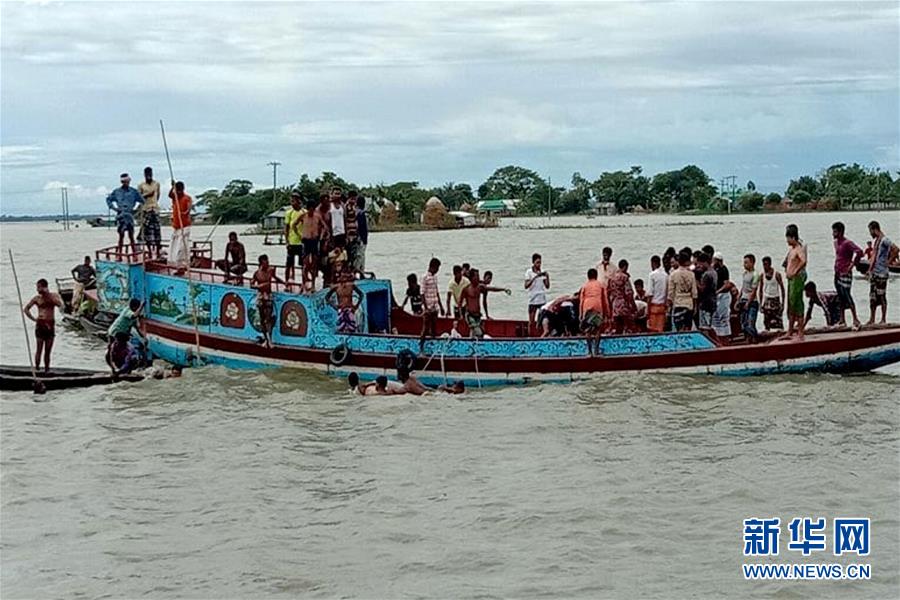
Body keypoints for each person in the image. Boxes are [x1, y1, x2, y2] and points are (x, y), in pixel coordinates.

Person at [23, 278, 64, 372]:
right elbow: (26, 309)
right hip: (40, 324)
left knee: (48, 351)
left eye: (39, 287)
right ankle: (37, 369)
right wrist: (34, 319)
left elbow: (60, 305)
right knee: (39, 349)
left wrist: (49, 295)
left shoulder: (53, 296)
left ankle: (47, 370)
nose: (37, 289)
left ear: (44, 287)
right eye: (37, 287)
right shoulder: (37, 298)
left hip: (50, 325)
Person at [866, 220, 899, 326]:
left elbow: (896, 249)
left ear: (874, 229)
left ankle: (883, 319)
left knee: (881, 296)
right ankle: (872, 319)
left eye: (870, 231)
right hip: (875, 273)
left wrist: (888, 263)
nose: (870, 234)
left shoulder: (884, 240)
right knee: (872, 297)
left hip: (882, 273)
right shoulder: (877, 241)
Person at [831, 221, 863, 329]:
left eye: (835, 231)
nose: (833, 234)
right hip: (838, 272)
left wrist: (852, 265)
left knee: (847, 295)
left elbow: (859, 252)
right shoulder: (837, 243)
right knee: (840, 297)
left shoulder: (847, 243)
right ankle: (842, 319)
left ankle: (855, 318)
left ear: (840, 232)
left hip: (845, 273)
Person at [460, 268, 507, 339]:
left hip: (477, 315)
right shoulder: (466, 289)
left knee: (477, 332)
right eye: (476, 276)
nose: (478, 278)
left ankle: (472, 344)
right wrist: (461, 315)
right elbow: (460, 303)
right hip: (470, 315)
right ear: (472, 278)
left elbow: (492, 289)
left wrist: (503, 289)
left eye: (478, 276)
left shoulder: (480, 287)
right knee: (478, 332)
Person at [106, 173, 144, 255]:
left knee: (131, 236)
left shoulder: (134, 192)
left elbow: (142, 201)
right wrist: (114, 208)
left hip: (129, 216)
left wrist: (136, 211)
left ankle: (134, 254)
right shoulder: (117, 192)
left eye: (126, 181)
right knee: (121, 236)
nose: (125, 183)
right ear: (121, 182)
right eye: (123, 182)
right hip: (121, 215)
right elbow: (108, 199)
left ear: (129, 181)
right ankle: (119, 254)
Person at [251, 254, 284, 348]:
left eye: (268, 261)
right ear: (261, 263)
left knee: (268, 318)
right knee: (262, 319)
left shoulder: (270, 270)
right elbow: (252, 284)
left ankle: (270, 340)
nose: (268, 264)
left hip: (268, 296)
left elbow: (275, 278)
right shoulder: (257, 273)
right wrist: (259, 286)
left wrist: (284, 283)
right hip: (261, 296)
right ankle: (266, 339)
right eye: (266, 262)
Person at [783, 224, 808, 339]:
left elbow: (803, 261)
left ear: (793, 237)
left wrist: (795, 271)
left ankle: (800, 332)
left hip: (797, 280)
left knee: (798, 304)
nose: (787, 240)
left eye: (788, 238)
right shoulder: (791, 250)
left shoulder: (799, 249)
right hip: (790, 280)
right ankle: (790, 331)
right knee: (791, 305)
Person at [301, 195, 328, 293]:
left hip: (315, 241)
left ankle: (313, 284)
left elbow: (325, 227)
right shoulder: (303, 216)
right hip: (306, 241)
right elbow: (294, 225)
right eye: (309, 209)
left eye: (312, 209)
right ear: (307, 209)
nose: (311, 211)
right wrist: (300, 234)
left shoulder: (317, 216)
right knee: (305, 264)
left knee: (314, 264)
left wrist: (321, 236)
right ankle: (304, 284)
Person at [667, 251, 697, 331]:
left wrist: (669, 307)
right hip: (689, 304)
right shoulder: (691, 274)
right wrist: (695, 306)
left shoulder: (673, 274)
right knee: (688, 328)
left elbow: (670, 293)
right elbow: (694, 293)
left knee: (678, 328)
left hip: (678, 303)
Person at [579, 268, 605, 355]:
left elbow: (581, 301)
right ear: (596, 276)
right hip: (597, 306)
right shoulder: (600, 285)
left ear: (588, 276)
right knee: (598, 329)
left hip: (587, 306)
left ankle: (589, 352)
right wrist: (607, 312)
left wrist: (581, 314)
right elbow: (604, 300)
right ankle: (596, 351)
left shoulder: (585, 286)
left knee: (588, 330)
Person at [420, 257, 444, 351]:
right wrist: (426, 308)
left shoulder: (435, 277)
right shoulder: (424, 277)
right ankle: (421, 347)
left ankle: (432, 345)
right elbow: (422, 293)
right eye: (437, 268)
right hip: (428, 306)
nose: (438, 270)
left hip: (434, 305)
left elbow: (436, 291)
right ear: (433, 267)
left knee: (434, 326)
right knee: (425, 328)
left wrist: (441, 306)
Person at [607, 259, 638, 334]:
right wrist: (633, 306)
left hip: (615, 305)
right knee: (629, 326)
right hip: (623, 305)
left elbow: (608, 292)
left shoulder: (611, 278)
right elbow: (629, 293)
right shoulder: (624, 277)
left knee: (618, 327)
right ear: (625, 267)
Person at [137, 166, 162, 258]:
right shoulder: (141, 185)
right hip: (146, 210)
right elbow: (139, 198)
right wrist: (147, 195)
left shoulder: (157, 184)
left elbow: (158, 196)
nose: (149, 176)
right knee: (147, 232)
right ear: (144, 175)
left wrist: (153, 201)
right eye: (147, 175)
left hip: (154, 209)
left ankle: (158, 252)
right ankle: (150, 252)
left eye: (150, 175)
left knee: (157, 231)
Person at [168, 181, 192, 272]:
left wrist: (185, 212)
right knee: (174, 246)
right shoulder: (175, 197)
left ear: (183, 190)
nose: (178, 193)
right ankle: (175, 264)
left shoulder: (187, 198)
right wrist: (172, 187)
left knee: (182, 246)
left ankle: (183, 265)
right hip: (176, 226)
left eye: (179, 191)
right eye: (177, 191)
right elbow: (170, 194)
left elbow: (189, 207)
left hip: (185, 226)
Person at [737, 254, 761, 342]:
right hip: (743, 299)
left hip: (752, 301)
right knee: (743, 323)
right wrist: (738, 299)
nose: (744, 265)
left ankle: (755, 338)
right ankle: (747, 338)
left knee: (751, 323)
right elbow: (743, 287)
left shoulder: (755, 275)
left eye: (746, 263)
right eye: (744, 263)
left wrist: (748, 303)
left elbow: (754, 291)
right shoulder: (745, 274)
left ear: (752, 263)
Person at [524, 253, 550, 334]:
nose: (539, 264)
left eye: (540, 262)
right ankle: (530, 336)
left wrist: (547, 277)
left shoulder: (542, 271)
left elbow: (547, 286)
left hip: (542, 299)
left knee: (544, 319)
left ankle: (543, 334)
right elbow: (526, 286)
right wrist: (535, 277)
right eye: (537, 263)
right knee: (531, 321)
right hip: (533, 299)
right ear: (533, 262)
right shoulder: (529, 272)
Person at [758, 256, 786, 331]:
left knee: (778, 321)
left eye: (766, 264)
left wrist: (783, 304)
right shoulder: (762, 275)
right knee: (767, 321)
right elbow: (760, 290)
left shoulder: (776, 274)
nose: (764, 266)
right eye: (763, 264)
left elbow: (782, 289)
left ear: (770, 264)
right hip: (767, 299)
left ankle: (780, 333)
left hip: (775, 299)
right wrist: (760, 304)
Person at [284, 192, 306, 282]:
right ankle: (287, 281)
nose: (292, 203)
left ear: (299, 201)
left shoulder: (304, 212)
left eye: (294, 201)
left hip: (301, 243)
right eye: (291, 201)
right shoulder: (289, 212)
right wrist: (287, 241)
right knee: (289, 264)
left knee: (303, 265)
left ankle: (303, 282)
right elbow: (286, 228)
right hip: (292, 242)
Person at [711, 252, 733, 338]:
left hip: (723, 296)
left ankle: (725, 335)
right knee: (715, 317)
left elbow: (726, 284)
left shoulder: (724, 269)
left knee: (722, 316)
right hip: (716, 296)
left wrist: (718, 291)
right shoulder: (715, 269)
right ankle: (717, 334)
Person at [695, 253, 718, 331]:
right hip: (713, 301)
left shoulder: (707, 274)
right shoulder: (714, 272)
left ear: (704, 262)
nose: (699, 266)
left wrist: (695, 281)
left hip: (706, 303)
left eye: (700, 264)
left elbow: (702, 289)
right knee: (711, 325)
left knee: (704, 327)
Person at [647, 255, 668, 332]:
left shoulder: (652, 275)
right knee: (660, 329)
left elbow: (650, 294)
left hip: (654, 306)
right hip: (662, 306)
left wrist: (647, 310)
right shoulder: (666, 275)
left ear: (653, 263)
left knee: (652, 330)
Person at [344, 191, 361, 276]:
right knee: (349, 255)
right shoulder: (346, 207)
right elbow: (345, 220)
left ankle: (353, 273)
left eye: (355, 199)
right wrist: (347, 235)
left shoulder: (355, 207)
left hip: (355, 234)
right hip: (349, 234)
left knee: (354, 255)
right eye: (353, 198)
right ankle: (348, 273)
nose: (354, 200)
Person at [354, 195, 369, 275]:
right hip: (361, 238)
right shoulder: (361, 213)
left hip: (358, 238)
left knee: (358, 256)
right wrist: (363, 239)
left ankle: (359, 272)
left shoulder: (356, 212)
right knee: (361, 256)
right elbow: (362, 227)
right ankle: (361, 272)